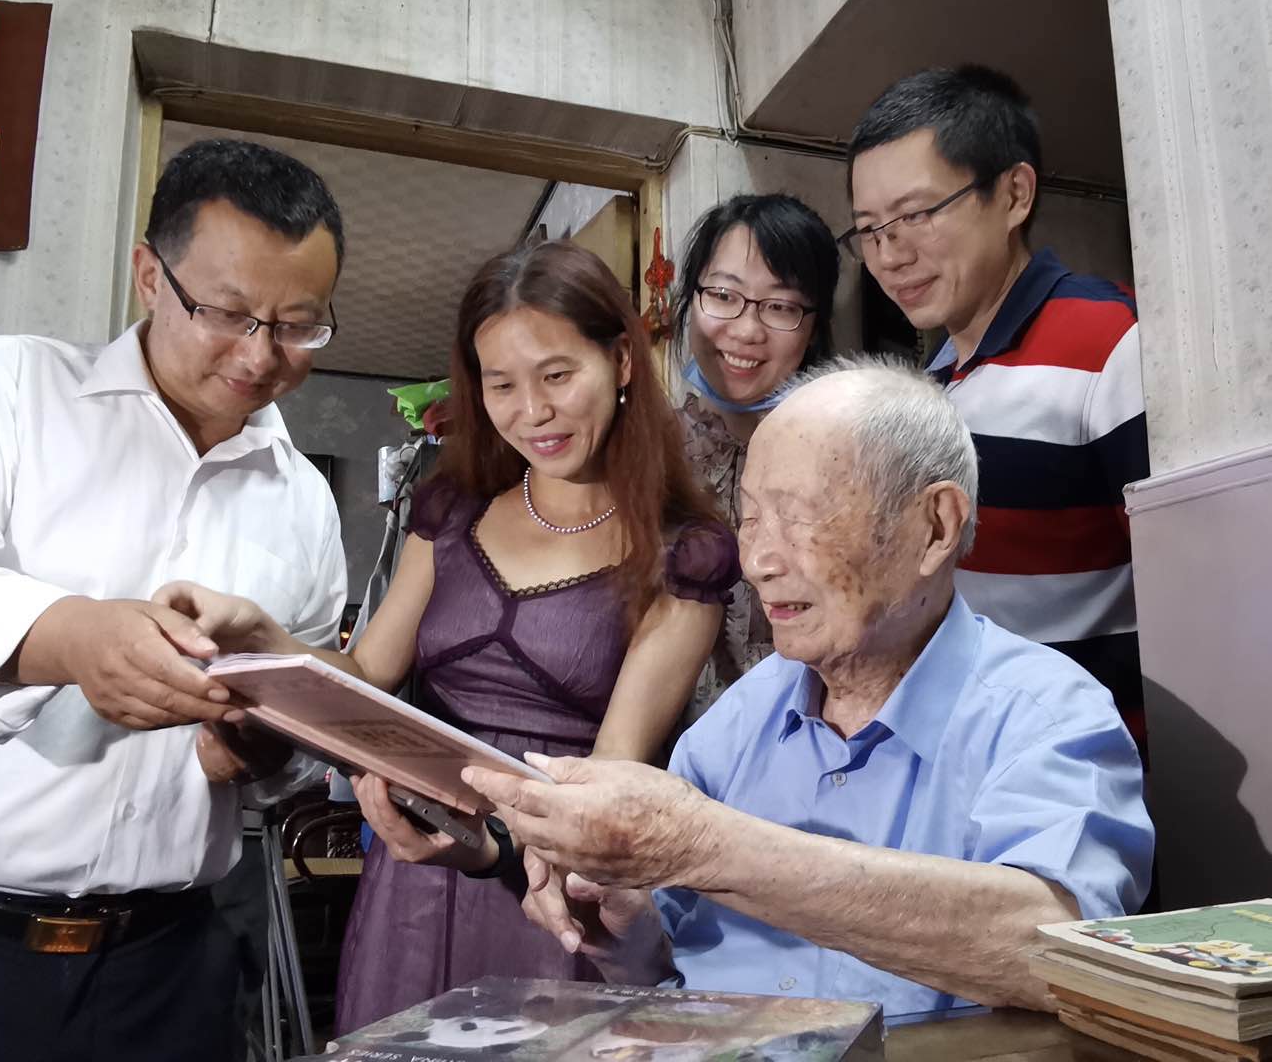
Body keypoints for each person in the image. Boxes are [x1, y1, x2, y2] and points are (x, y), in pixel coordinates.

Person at [0, 139, 349, 1062]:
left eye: (298, 326)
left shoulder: (304, 500)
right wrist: (71, 636)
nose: (259, 354)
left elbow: (284, 752)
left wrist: (255, 744)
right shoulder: (2, 389)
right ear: (149, 276)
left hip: (168, 969)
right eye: (226, 312)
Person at [157, 240, 738, 1032]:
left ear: (622, 362)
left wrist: (489, 846)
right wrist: (265, 640)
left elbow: (608, 782)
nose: (532, 411)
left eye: (557, 375)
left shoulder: (683, 558)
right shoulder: (452, 510)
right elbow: (366, 672)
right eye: (501, 384)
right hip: (413, 877)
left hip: (552, 895)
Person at [462, 358, 1154, 1018]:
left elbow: (1060, 951)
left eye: (800, 516)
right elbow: (673, 967)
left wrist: (703, 845)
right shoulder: (738, 722)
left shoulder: (1045, 715)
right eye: (750, 517)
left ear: (935, 526)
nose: (758, 562)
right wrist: (622, 928)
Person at [838, 65, 1149, 754]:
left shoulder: (1107, 344)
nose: (890, 254)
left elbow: (1197, 589)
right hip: (970, 761)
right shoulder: (932, 383)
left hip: (1091, 766)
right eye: (868, 229)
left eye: (916, 214)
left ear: (1013, 195)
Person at [671, 195, 839, 719]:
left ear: (814, 326)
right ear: (691, 298)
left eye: (781, 306)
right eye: (723, 295)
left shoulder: (847, 460)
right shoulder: (645, 451)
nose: (746, 330)